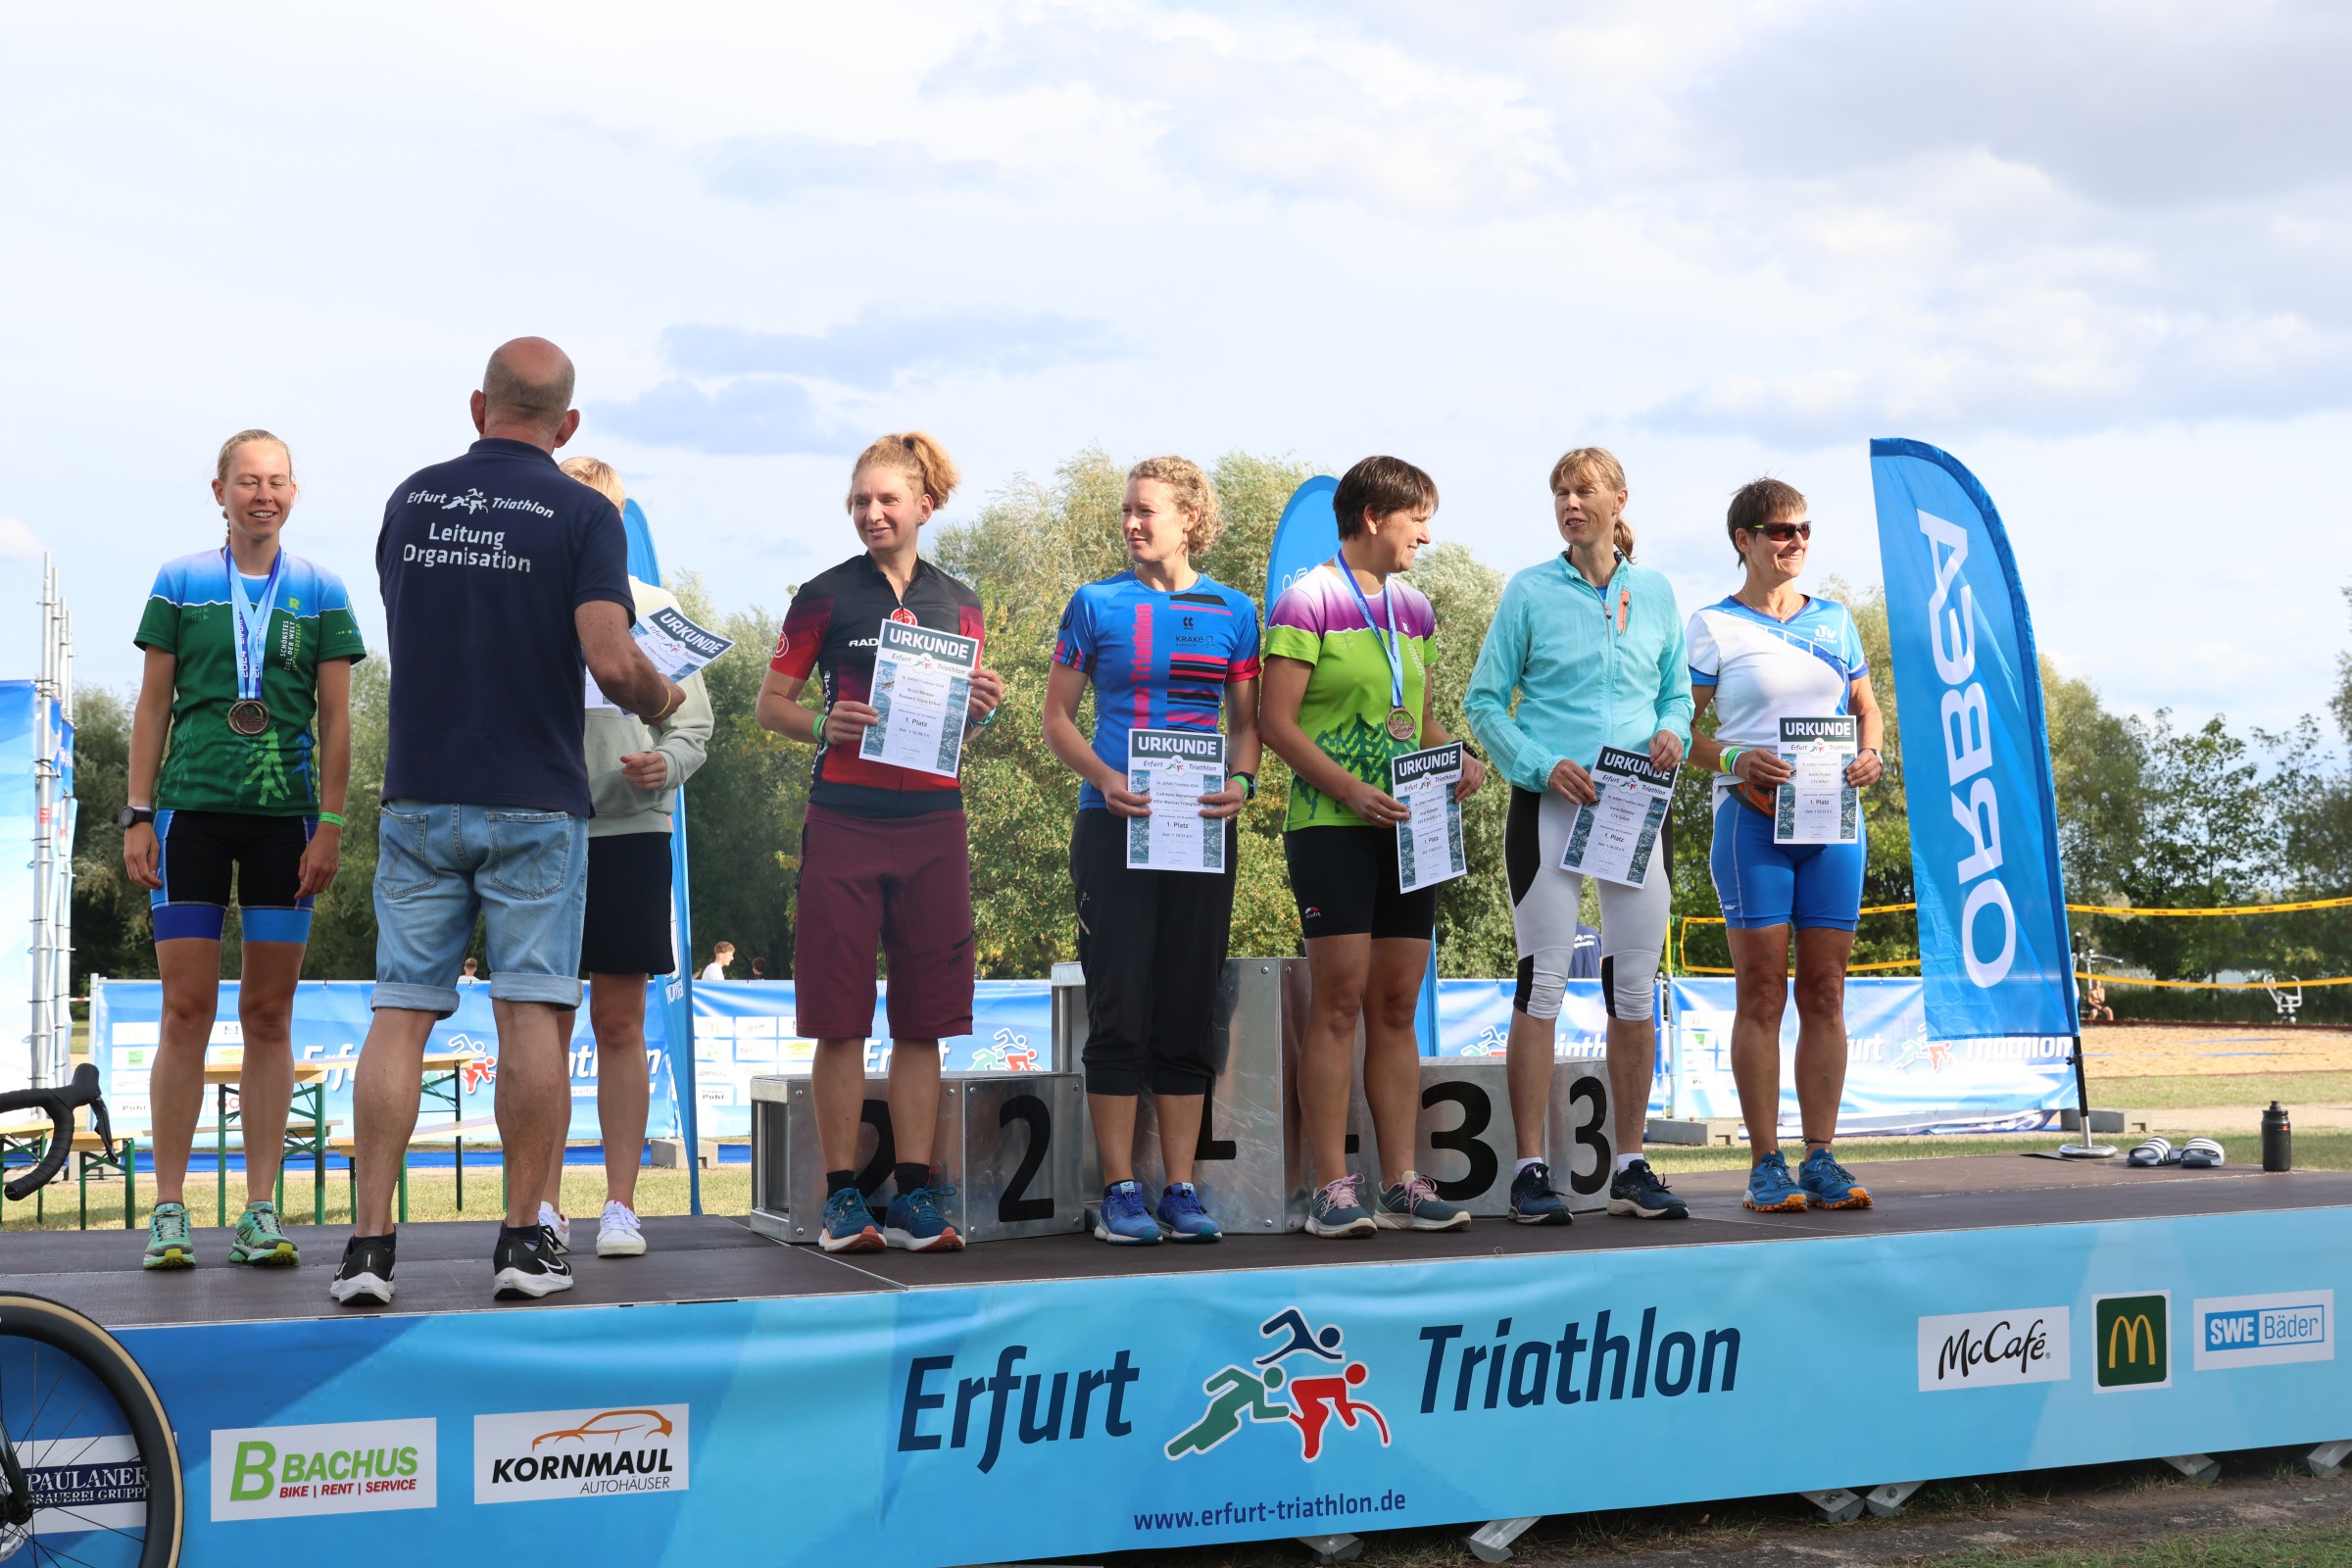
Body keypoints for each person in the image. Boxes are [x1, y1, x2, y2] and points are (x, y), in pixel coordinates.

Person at [331, 338, 682, 1306]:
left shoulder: (412, 499)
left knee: (401, 1012)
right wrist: (660, 696)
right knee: (531, 1013)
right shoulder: (582, 512)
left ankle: (368, 1251)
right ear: (567, 425)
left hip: (421, 789)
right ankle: (526, 1245)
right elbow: (610, 660)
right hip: (532, 796)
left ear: (478, 406)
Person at [123, 429, 366, 1271]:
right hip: (188, 815)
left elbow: (338, 720)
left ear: (294, 492)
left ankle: (260, 1210)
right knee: (185, 1010)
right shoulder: (180, 579)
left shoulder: (321, 589)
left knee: (268, 1014)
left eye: (278, 481)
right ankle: (168, 1209)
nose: (264, 495)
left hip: (285, 821)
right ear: (220, 491)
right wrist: (138, 814)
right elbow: (152, 705)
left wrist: (331, 824)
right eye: (248, 481)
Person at [755, 432, 1003, 1253]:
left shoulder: (960, 602)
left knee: (924, 1021)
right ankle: (841, 1200)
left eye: (887, 499)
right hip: (844, 821)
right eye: (860, 500)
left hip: (934, 823)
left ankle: (916, 1196)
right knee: (839, 1018)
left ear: (924, 506)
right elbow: (771, 706)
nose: (871, 513)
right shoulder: (823, 596)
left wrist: (981, 709)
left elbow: (953, 727)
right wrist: (823, 724)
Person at [1465, 447, 1692, 1224]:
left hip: (1635, 809)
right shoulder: (1529, 590)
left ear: (1619, 500)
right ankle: (1529, 1171)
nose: (1570, 503)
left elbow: (1677, 692)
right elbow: (1484, 701)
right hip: (1551, 804)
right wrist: (1539, 764)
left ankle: (1630, 1165)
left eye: (1585, 490)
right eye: (1560, 491)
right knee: (1544, 983)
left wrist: (1673, 729)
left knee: (1634, 987)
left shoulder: (1654, 592)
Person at [1261, 456, 1486, 1239]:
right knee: (1339, 1003)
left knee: (1397, 1006)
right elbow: (1275, 722)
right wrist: (1351, 790)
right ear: (1372, 518)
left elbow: (1413, 718)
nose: (1426, 535)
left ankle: (1401, 1184)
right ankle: (1331, 1188)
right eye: (1417, 519)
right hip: (1331, 826)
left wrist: (1455, 756)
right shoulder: (1308, 598)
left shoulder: (1415, 609)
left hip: (1410, 827)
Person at [1043, 456, 1261, 1245]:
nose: (1132, 523)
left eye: (1147, 511)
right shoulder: (1095, 603)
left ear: (1190, 518)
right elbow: (1057, 720)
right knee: (1119, 1005)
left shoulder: (1235, 610)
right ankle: (1119, 1190)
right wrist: (1104, 778)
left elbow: (1246, 726)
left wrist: (1243, 783)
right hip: (1113, 824)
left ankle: (1180, 1188)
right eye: (1127, 511)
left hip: (1200, 827)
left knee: (1187, 1005)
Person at [1686, 477, 1886, 1213]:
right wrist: (1736, 759)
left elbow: (1867, 709)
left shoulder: (1835, 620)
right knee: (1763, 992)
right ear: (1744, 540)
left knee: (1826, 990)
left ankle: (1821, 1156)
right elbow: (1678, 733)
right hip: (1752, 825)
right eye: (1780, 530)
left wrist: (1872, 754)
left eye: (1803, 529)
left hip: (1832, 821)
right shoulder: (1712, 625)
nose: (1795, 541)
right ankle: (1765, 1162)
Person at [532, 456, 713, 1260]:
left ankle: (619, 1206)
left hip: (632, 832)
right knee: (541, 1025)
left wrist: (663, 764)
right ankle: (539, 1205)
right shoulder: (524, 598)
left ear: (616, 521)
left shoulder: (658, 609)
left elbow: (694, 728)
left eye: (598, 511)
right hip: (539, 832)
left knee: (619, 1022)